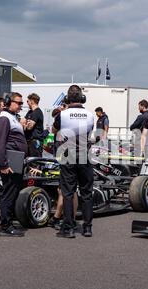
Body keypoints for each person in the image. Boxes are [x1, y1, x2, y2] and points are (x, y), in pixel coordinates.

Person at [53, 85, 94, 238]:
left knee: (68, 192)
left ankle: (69, 228)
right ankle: (87, 227)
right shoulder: (90, 115)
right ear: (82, 98)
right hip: (85, 154)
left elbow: (54, 131)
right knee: (87, 193)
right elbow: (90, 131)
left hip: (68, 154)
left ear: (67, 99)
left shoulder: (62, 115)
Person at [0, 92, 28, 237]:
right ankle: (5, 226)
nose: (21, 106)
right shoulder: (4, 118)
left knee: (13, 191)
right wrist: (3, 164)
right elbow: (0, 143)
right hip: (10, 161)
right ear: (9, 102)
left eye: (22, 103)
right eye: (18, 103)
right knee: (8, 193)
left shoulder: (13, 118)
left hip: (16, 160)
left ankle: (9, 222)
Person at [25, 93, 45, 157]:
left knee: (34, 164)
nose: (27, 103)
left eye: (27, 101)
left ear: (32, 101)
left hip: (35, 142)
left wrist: (25, 125)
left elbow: (29, 127)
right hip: (29, 142)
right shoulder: (30, 112)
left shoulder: (37, 112)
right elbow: (22, 122)